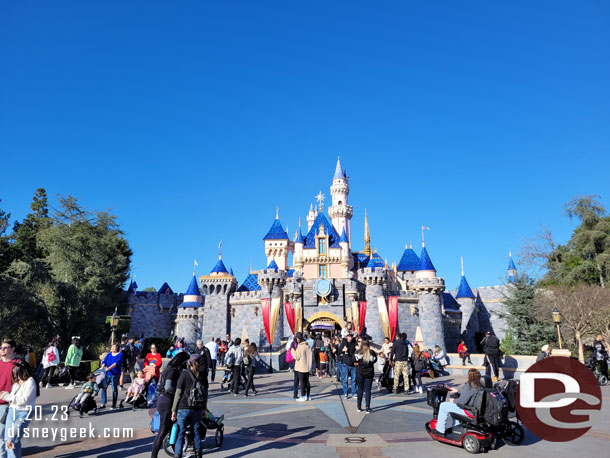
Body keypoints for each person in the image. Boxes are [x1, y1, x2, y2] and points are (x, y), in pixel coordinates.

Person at [151, 352, 190, 458]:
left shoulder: (169, 369)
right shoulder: (173, 370)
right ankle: (153, 456)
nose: (187, 363)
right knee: (162, 432)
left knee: (172, 428)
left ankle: (177, 452)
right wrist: (179, 393)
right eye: (186, 361)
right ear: (181, 361)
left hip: (165, 400)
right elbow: (168, 387)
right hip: (166, 401)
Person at [0, 361, 39, 458]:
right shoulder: (17, 383)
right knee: (8, 439)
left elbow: (24, 400)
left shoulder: (30, 381)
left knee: (12, 440)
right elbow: (13, 397)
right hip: (12, 412)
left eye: (16, 373)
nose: (14, 376)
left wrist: (5, 396)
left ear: (22, 371)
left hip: (24, 413)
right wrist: (6, 395)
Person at [171, 354, 206, 458]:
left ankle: (178, 454)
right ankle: (198, 454)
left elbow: (178, 393)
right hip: (197, 408)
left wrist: (174, 410)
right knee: (196, 432)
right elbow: (205, 393)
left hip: (183, 407)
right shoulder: (202, 375)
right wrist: (204, 408)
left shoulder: (184, 374)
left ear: (189, 363)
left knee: (180, 433)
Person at [433, 369, 483, 435]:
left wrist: (453, 401)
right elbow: (468, 393)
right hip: (475, 410)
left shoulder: (470, 385)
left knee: (443, 405)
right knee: (454, 409)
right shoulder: (479, 385)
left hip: (469, 411)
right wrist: (457, 390)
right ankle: (456, 429)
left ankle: (440, 430)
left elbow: (461, 402)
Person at [0, 339, 18, 457]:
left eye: (6, 347)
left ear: (12, 349)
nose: (2, 349)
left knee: (7, 437)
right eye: (1, 347)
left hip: (8, 405)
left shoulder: (17, 365)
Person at [354, 341, 377, 413]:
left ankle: (359, 407)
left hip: (360, 372)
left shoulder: (358, 352)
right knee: (367, 390)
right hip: (369, 373)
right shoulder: (372, 353)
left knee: (360, 389)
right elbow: (375, 360)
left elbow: (354, 359)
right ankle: (367, 407)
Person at [100, 344, 123, 409]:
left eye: (114, 347)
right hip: (107, 374)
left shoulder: (120, 354)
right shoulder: (109, 354)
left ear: (117, 348)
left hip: (115, 374)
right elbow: (104, 361)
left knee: (114, 389)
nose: (112, 348)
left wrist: (108, 368)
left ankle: (114, 404)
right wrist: (102, 368)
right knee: (103, 387)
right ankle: (103, 403)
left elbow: (116, 363)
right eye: (112, 347)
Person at [291, 332, 313, 402]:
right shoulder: (307, 346)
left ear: (299, 338)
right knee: (307, 382)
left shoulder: (300, 346)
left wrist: (292, 351)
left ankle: (303, 396)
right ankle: (308, 396)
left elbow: (296, 357)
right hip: (307, 366)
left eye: (297, 338)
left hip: (301, 367)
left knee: (302, 383)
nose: (296, 340)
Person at [339, 333, 357, 399]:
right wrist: (342, 350)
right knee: (345, 380)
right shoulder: (344, 343)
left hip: (353, 364)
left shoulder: (354, 343)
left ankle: (353, 393)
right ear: (347, 337)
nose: (350, 338)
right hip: (345, 364)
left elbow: (356, 351)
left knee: (354, 380)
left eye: (351, 336)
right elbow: (339, 352)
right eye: (349, 336)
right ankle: (345, 393)